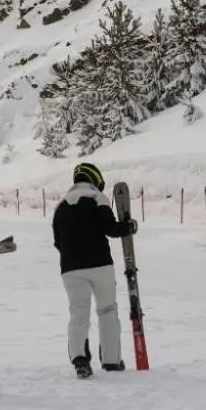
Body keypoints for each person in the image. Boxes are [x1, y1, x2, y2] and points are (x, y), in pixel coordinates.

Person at [51, 161, 137, 378]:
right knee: (107, 310)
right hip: (100, 264)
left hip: (70, 268)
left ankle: (80, 360)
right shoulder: (98, 198)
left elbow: (57, 242)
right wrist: (129, 226)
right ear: (94, 179)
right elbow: (111, 229)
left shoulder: (60, 205)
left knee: (78, 312)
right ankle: (111, 360)